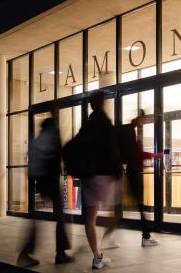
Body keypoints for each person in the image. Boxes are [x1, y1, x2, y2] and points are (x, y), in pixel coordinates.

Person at [17, 117, 74, 267]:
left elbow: (31, 165)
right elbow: (61, 155)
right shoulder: (53, 135)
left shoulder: (37, 139)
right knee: (60, 217)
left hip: (41, 182)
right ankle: (60, 254)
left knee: (39, 218)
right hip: (51, 182)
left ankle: (26, 253)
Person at [77, 91, 122, 269]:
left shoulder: (86, 125)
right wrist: (117, 171)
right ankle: (103, 241)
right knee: (117, 214)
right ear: (102, 104)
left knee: (89, 219)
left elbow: (77, 147)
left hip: (87, 176)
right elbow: (112, 149)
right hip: (103, 175)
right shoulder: (104, 123)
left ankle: (97, 256)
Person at [118, 109, 160, 247]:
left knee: (140, 206)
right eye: (141, 122)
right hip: (134, 174)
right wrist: (156, 155)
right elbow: (138, 154)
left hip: (133, 173)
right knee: (141, 206)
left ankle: (145, 235)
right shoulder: (130, 136)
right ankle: (146, 236)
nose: (142, 126)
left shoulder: (131, 135)